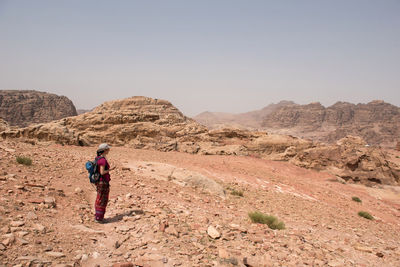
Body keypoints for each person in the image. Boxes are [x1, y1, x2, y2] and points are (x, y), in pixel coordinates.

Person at [94, 143, 115, 223]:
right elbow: (102, 172)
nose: (109, 150)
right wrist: (111, 169)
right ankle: (99, 218)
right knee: (102, 200)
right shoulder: (102, 160)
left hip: (100, 182)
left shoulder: (98, 158)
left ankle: (98, 216)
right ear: (105, 150)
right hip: (103, 182)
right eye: (108, 149)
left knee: (99, 198)